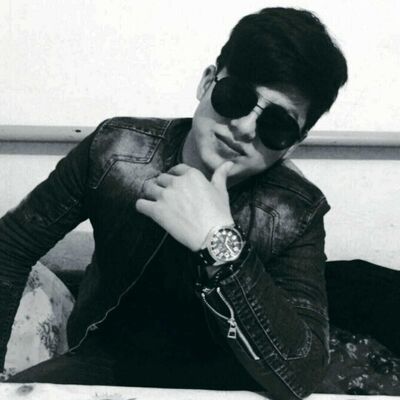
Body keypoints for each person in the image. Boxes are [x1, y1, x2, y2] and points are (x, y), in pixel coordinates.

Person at [0, 7, 350, 400]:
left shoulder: (296, 210)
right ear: (206, 82)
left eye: (277, 125)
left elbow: (301, 372)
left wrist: (220, 241)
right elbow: (11, 245)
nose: (244, 127)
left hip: (232, 381)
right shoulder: (116, 149)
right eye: (236, 96)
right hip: (103, 361)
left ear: (295, 144)